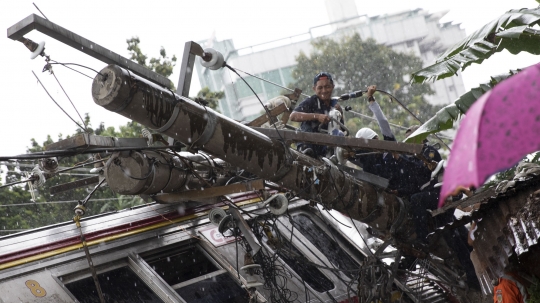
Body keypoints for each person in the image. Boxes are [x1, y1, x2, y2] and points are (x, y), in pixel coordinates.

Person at [348, 88, 422, 200]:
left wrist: (371, 99)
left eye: (375, 140)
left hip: (410, 184)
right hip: (389, 191)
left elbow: (383, 122)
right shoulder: (367, 159)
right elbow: (347, 153)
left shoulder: (389, 145)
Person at [290, 72, 344, 157]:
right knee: (306, 125)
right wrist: (316, 116)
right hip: (310, 145)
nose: (324, 90)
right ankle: (305, 149)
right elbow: (293, 116)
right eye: (320, 88)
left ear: (333, 87)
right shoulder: (312, 101)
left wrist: (340, 113)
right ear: (314, 89)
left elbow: (342, 129)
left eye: (327, 87)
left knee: (339, 133)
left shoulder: (335, 105)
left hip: (326, 149)